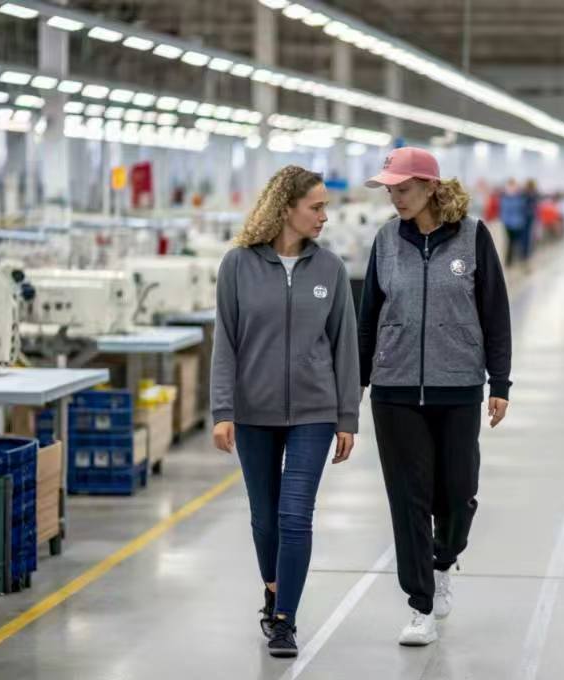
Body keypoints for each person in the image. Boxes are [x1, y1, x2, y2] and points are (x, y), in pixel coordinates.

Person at [359, 147, 513, 647]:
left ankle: (443, 560)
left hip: (459, 387)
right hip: (395, 389)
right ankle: (420, 604)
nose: (395, 198)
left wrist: (500, 382)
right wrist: (355, 386)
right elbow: (368, 318)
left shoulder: (472, 236)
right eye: (390, 190)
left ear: (430, 187)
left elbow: (495, 312)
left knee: (457, 493)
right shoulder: (385, 240)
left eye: (402, 189)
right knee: (408, 500)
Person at [210, 165, 360, 658]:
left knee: (295, 515)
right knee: (264, 518)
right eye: (315, 207)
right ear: (286, 208)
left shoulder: (330, 269)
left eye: (324, 208)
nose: (323, 216)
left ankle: (283, 620)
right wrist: (222, 408)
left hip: (314, 413)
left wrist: (347, 416)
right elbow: (225, 342)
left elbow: (344, 347)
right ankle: (273, 588)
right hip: (253, 411)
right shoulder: (237, 264)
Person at [498, 179, 528, 268]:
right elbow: (503, 210)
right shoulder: (504, 197)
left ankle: (518, 258)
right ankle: (509, 260)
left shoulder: (520, 197)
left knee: (517, 242)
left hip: (518, 223)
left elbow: (522, 209)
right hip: (508, 224)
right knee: (510, 242)